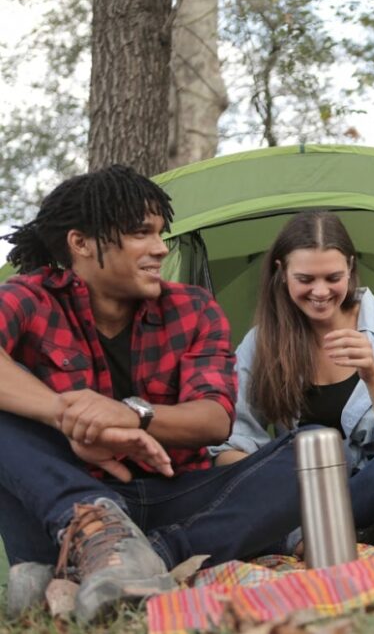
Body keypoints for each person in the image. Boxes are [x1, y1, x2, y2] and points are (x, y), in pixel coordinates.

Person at [0, 165, 303, 622]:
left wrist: (129, 416)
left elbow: (214, 419)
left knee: (316, 451)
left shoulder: (193, 307)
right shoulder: (31, 296)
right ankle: (99, 538)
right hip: (69, 507)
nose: (161, 248)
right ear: (80, 244)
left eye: (162, 233)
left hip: (176, 494)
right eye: (142, 233)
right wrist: (65, 415)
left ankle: (146, 558)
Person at [210, 211, 374, 543]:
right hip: (300, 489)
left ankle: (314, 536)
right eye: (306, 279)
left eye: (332, 277)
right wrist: (279, 480)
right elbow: (229, 446)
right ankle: (357, 535)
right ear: (282, 272)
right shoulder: (262, 342)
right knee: (309, 438)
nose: (320, 292)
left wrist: (373, 375)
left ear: (350, 268)